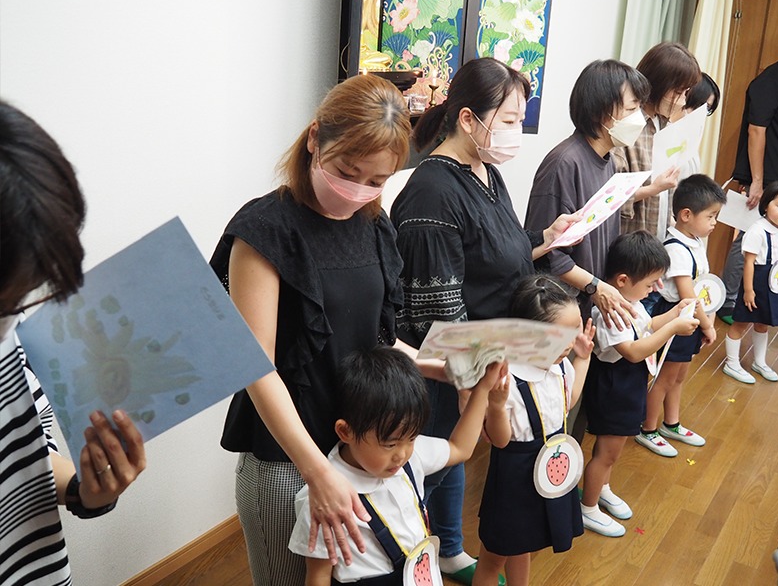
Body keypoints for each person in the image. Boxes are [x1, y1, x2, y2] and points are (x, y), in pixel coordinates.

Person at [210, 74, 443, 584]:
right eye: (346, 172)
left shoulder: (373, 224)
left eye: (377, 181)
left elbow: (376, 340)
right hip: (290, 461)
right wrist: (317, 472)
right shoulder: (265, 231)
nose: (359, 190)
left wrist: (444, 365)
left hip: (359, 453)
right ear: (315, 138)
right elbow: (256, 367)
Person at [390, 57, 577, 584]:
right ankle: (418, 561)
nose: (517, 131)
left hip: (487, 350)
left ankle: (450, 550)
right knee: (434, 463)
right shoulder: (432, 193)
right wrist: (480, 375)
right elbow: (440, 320)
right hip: (448, 364)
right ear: (468, 119)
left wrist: (544, 240)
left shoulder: (486, 172)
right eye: (510, 120)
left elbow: (499, 252)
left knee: (456, 455)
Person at [0, 100, 147, 584]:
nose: (12, 320)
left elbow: (24, 452)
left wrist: (86, 491)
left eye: (21, 299)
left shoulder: (10, 334)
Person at [289, 347, 507, 585]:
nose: (401, 455)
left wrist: (483, 389)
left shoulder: (412, 456)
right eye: (390, 444)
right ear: (345, 432)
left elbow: (460, 448)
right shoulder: (323, 500)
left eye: (411, 438)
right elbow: (318, 575)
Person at [473, 275, 595, 586]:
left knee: (524, 546)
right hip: (514, 475)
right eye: (561, 336)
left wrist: (582, 359)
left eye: (575, 330)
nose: (570, 342)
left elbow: (568, 403)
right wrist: (496, 406)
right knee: (494, 556)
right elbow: (500, 441)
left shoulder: (560, 366)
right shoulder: (508, 379)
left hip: (548, 471)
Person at [581, 231, 699, 537]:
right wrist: (673, 328)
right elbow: (633, 351)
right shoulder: (609, 311)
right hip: (613, 387)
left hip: (628, 384)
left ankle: (602, 488)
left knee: (615, 449)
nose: (653, 289)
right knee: (606, 452)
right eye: (649, 284)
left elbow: (647, 326)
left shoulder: (630, 300)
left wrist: (673, 313)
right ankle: (588, 508)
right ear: (622, 280)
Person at [525, 59, 650, 326]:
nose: (638, 118)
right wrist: (594, 286)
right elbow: (546, 252)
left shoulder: (609, 161)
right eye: (631, 109)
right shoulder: (564, 164)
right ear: (599, 112)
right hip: (558, 313)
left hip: (587, 308)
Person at [636, 176, 726, 458]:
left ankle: (671, 423)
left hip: (690, 316)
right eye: (711, 216)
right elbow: (688, 294)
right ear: (686, 215)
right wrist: (708, 325)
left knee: (678, 376)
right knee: (665, 377)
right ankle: (648, 428)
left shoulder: (694, 241)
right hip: (676, 316)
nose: (714, 223)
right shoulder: (676, 248)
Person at [718, 19, 778, 324]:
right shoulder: (772, 79)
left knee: (770, 244)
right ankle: (727, 301)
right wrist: (756, 181)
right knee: (749, 240)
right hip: (765, 181)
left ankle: (755, 300)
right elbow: (756, 131)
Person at [612, 42, 701, 241]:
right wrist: (654, 188)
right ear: (659, 84)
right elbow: (611, 198)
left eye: (686, 92)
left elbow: (662, 201)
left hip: (657, 240)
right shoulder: (628, 124)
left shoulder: (664, 125)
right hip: (629, 243)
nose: (683, 101)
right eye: (678, 92)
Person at [723, 180, 778, 384]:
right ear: (766, 205)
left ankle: (759, 361)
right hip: (756, 283)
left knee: (763, 323)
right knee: (741, 322)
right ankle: (732, 363)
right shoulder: (757, 230)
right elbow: (748, 262)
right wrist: (748, 290)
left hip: (775, 285)